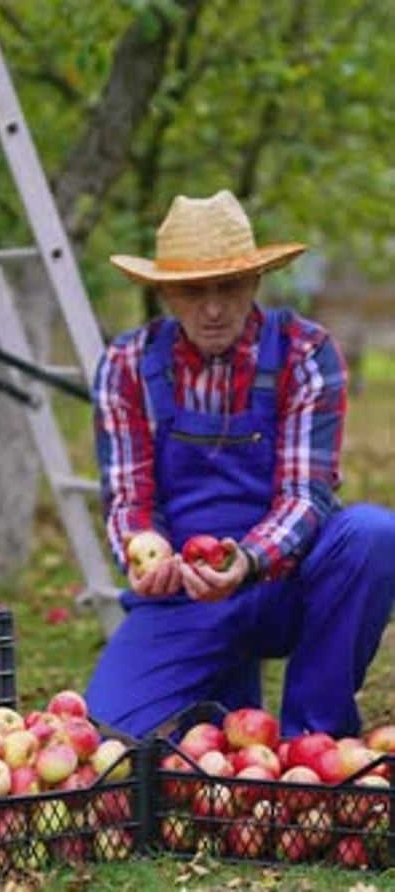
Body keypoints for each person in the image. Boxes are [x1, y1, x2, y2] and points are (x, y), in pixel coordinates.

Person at [85, 189, 395, 739]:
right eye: (192, 290)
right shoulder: (126, 364)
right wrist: (141, 555)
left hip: (284, 582)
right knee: (109, 738)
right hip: (184, 591)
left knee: (371, 534)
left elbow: (307, 494)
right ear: (164, 292)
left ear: (255, 281)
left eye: (227, 286)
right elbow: (129, 499)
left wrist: (248, 561)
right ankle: (225, 702)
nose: (212, 308)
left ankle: (313, 736)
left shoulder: (305, 352)